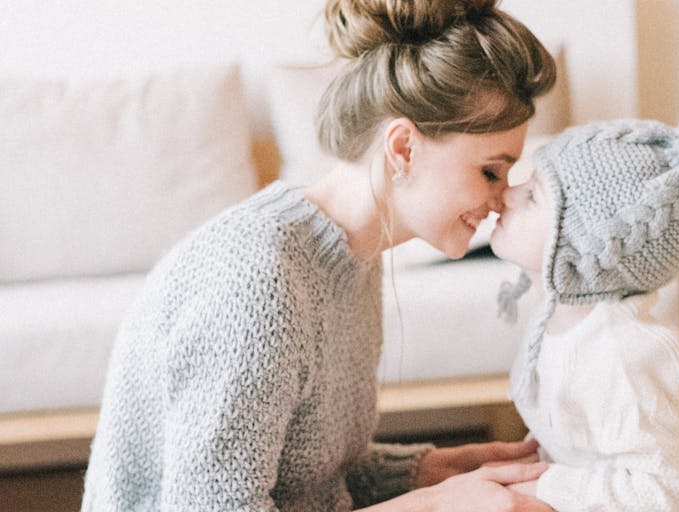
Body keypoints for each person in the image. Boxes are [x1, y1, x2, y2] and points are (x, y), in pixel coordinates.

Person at [81, 1, 559, 510]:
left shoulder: (352, 258)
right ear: (402, 149)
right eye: (490, 171)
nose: (503, 195)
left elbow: (301, 476)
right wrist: (433, 505)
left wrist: (423, 473)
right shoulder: (259, 275)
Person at [489, 102, 679, 511]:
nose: (507, 193)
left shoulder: (623, 354)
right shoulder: (559, 324)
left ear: (586, 248)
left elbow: (659, 496)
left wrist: (543, 486)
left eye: (533, 196)